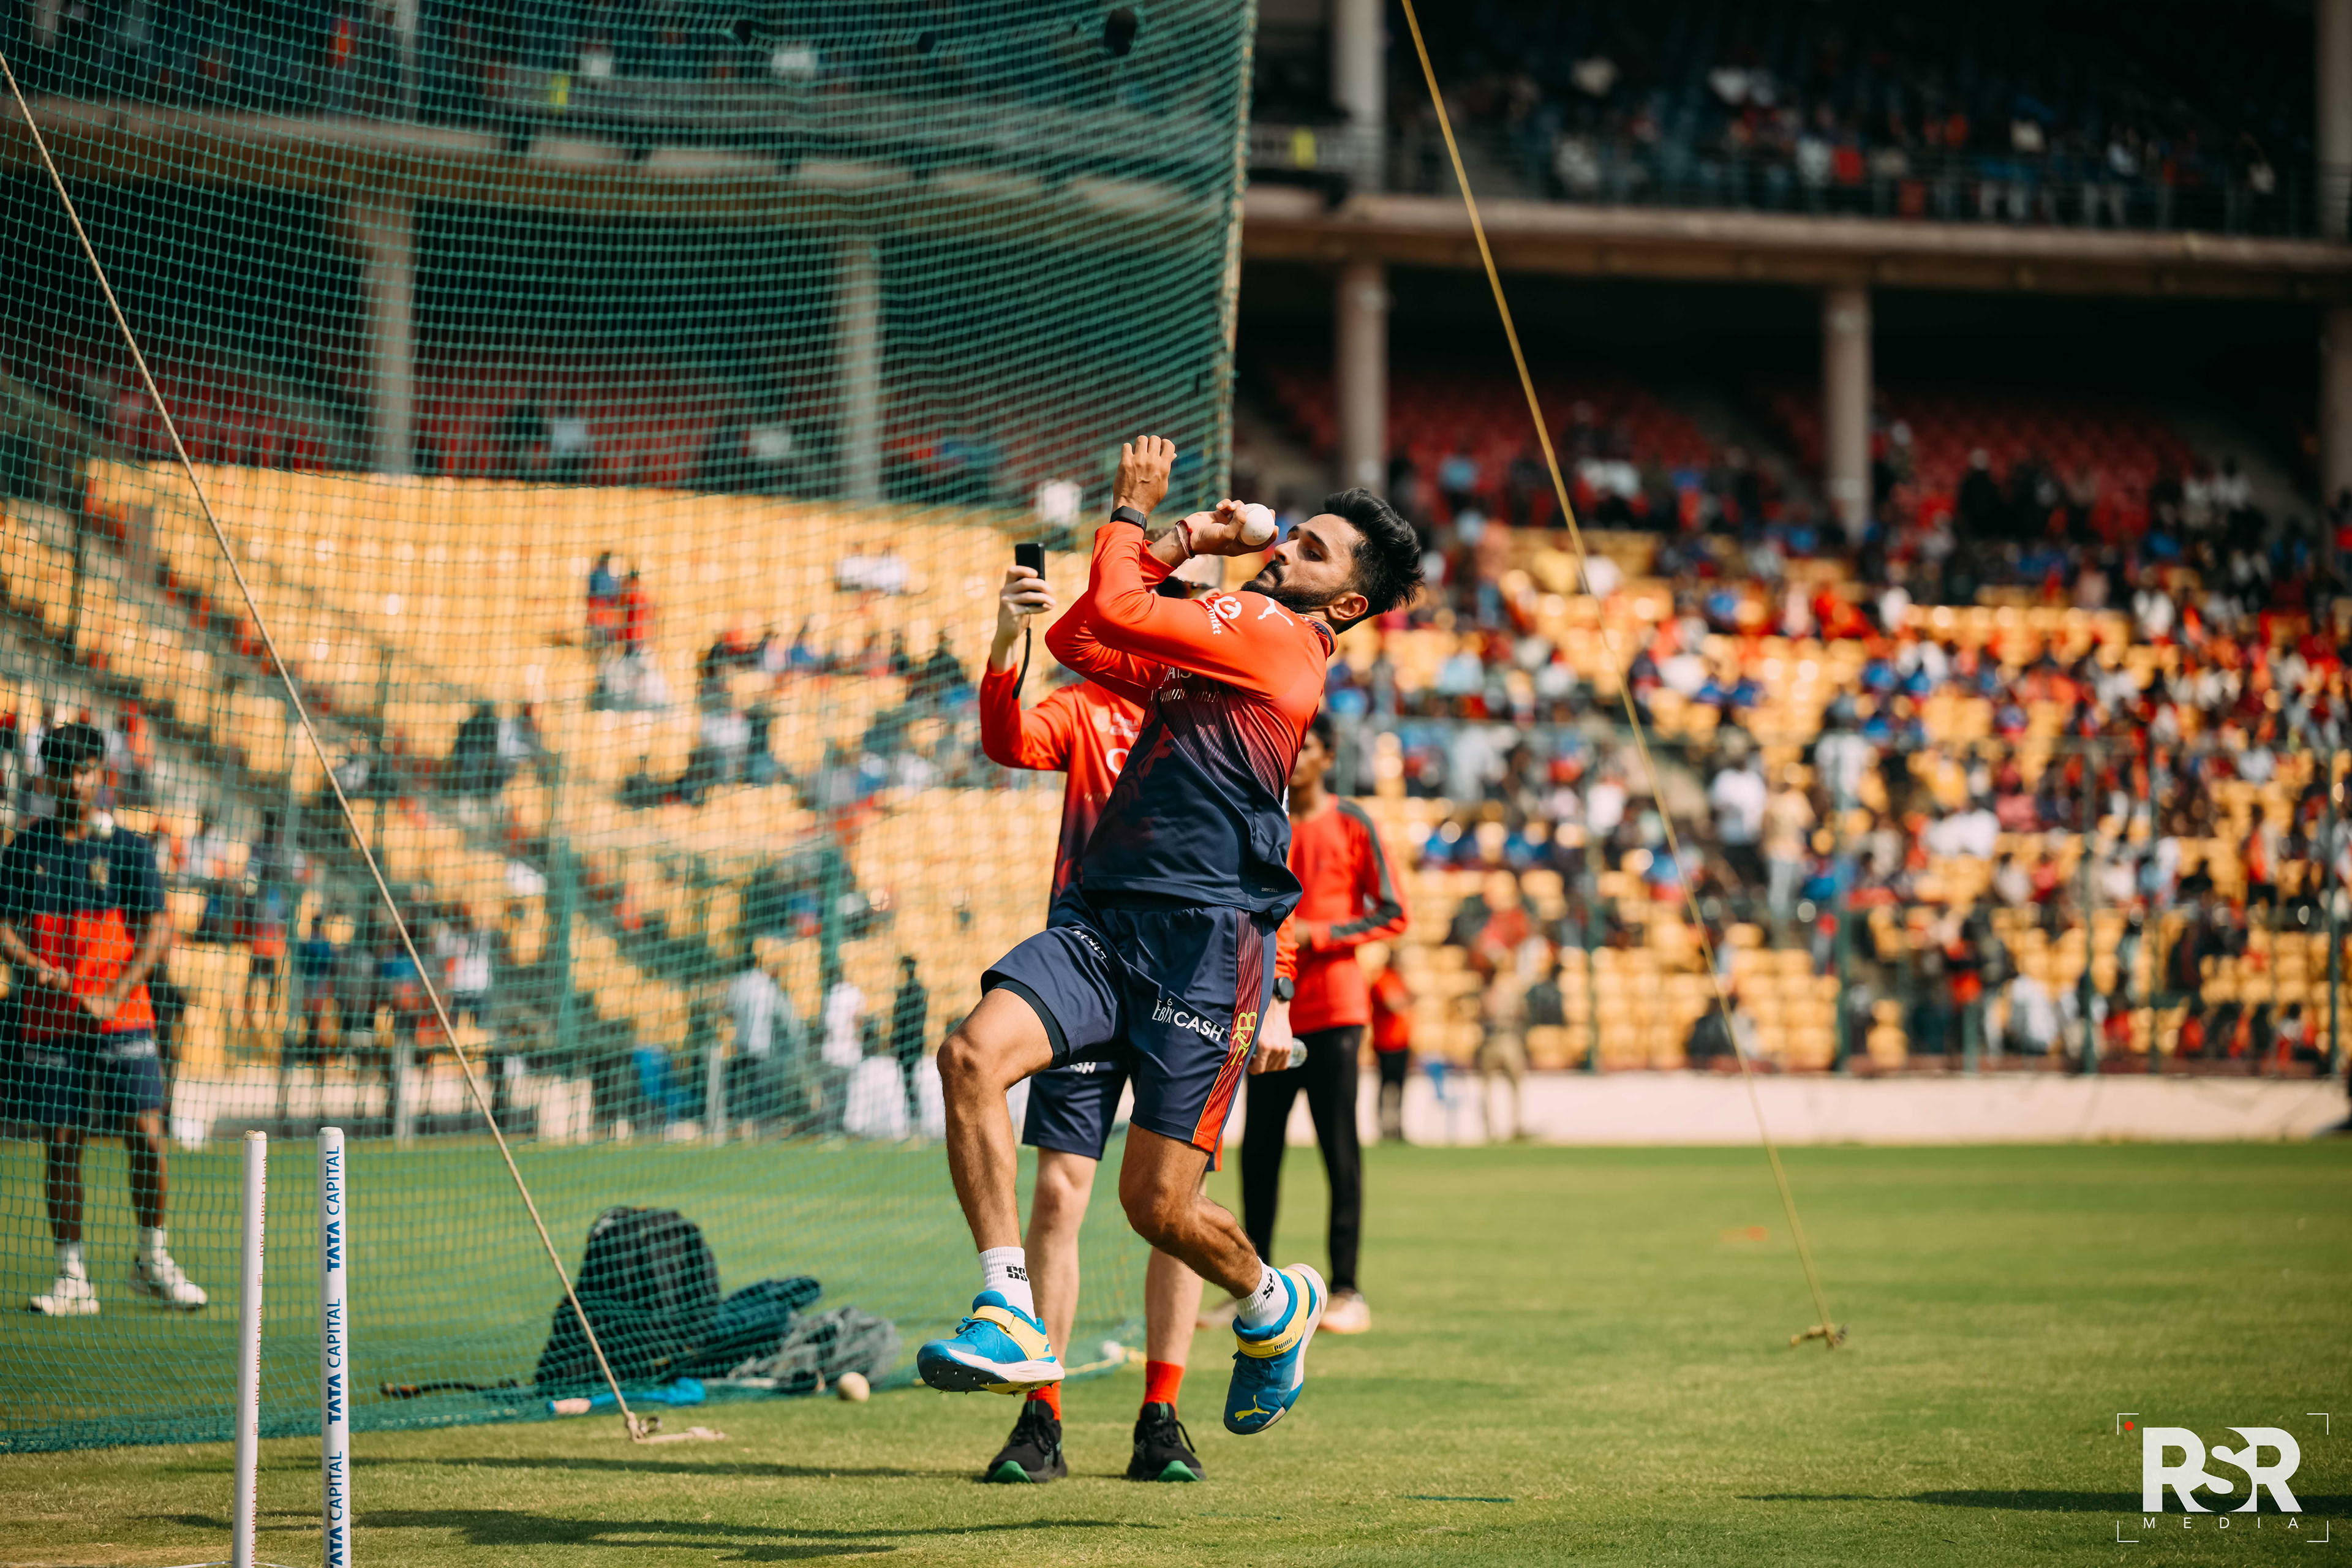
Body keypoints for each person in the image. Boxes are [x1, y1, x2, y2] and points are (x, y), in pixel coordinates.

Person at [918, 437, 1422, 1447]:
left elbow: (1112, 608)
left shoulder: (1276, 633)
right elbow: (1082, 636)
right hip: (1105, 919)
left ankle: (1273, 1298)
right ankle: (1008, 1306)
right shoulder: (1230, 637)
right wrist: (1177, 543)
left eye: (1312, 551)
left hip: (1204, 947)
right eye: (1294, 536)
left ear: (1345, 604)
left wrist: (1145, 511)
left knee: (1158, 1208)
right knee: (970, 1057)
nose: (1283, 550)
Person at [970, 548, 1233, 1484]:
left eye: (1200, 597)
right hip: (1088, 965)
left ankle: (1162, 1415)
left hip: (1193, 980)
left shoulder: (1229, 717)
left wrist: (1276, 990)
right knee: (1059, 1194)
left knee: (1174, 1206)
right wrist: (1007, 638)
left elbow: (1265, 860)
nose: (1191, 610)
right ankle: (1041, 1415)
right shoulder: (1089, 707)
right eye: (1175, 595)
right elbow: (1009, 742)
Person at [8, 723, 206, 1314]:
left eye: (84, 770)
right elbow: (2, 925)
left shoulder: (129, 848)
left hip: (124, 1017)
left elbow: (159, 929)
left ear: (102, 774)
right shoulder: (25, 848)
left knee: (146, 1133)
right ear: (46, 777)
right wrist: (36, 968)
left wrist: (114, 993)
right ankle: (72, 1277)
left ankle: (152, 1260)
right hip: (50, 1020)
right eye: (63, 770)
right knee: (61, 1141)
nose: (74, 781)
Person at [1236, 714, 1407, 1338]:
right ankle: (1250, 1287)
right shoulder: (1261, 821)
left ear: (1328, 756)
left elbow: (1393, 912)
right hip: (1267, 1014)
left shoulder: (1353, 822)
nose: (1296, 756)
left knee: (1340, 1150)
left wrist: (1321, 934)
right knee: (1259, 1153)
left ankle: (1348, 1290)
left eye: (1306, 746)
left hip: (1335, 1013)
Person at [1366, 946, 1414, 1142]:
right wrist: (1408, 1000)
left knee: (1400, 1087)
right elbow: (1392, 1004)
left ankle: (1397, 1126)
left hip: (1402, 1042)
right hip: (1386, 1043)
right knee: (1386, 1085)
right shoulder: (1383, 980)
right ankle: (1383, 1126)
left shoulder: (1398, 980)